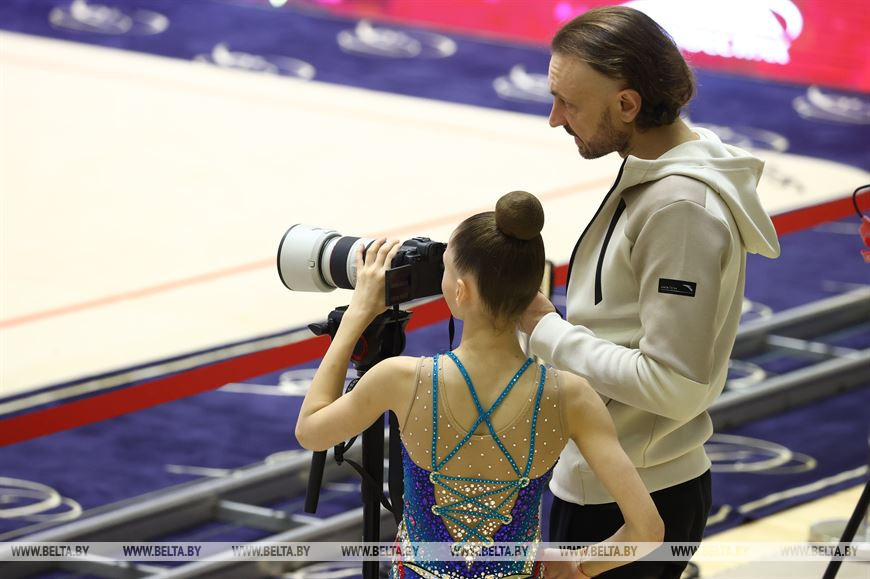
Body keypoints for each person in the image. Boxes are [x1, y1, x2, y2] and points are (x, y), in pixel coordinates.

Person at [519, 6, 782, 579]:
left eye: (568, 103)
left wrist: (546, 331)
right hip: (617, 478)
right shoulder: (662, 164)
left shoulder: (679, 208)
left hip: (627, 499)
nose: (555, 118)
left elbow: (675, 385)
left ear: (627, 105)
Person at [295, 191, 663, 579]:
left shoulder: (402, 379)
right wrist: (579, 565)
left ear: (461, 291)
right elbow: (648, 531)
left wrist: (358, 312)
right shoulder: (570, 396)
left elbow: (310, 430)